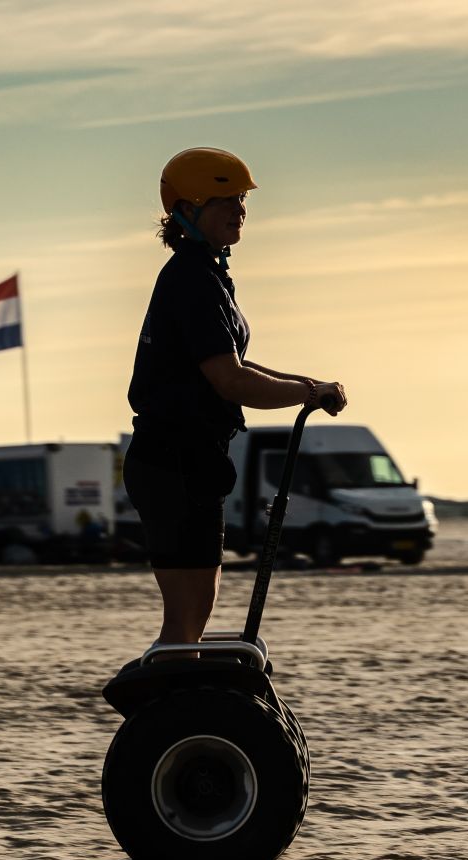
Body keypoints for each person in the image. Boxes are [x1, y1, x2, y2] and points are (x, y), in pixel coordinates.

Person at [124, 147, 347, 651]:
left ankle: (181, 713)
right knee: (185, 619)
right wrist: (306, 394)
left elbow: (238, 366)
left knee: (194, 616)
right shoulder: (191, 280)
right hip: (173, 461)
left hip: (191, 461)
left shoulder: (207, 276)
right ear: (190, 208)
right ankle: (171, 720)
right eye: (226, 199)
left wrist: (309, 386)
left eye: (242, 200)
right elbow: (232, 382)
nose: (240, 209)